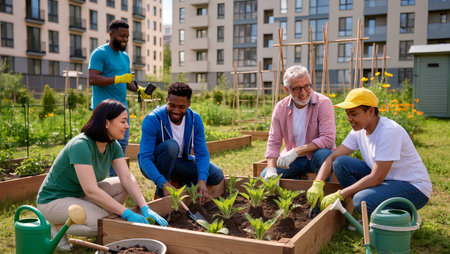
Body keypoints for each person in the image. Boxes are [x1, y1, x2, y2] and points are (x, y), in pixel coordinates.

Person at [37, 99, 167, 251]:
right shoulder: (81, 145)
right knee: (100, 226)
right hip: (53, 201)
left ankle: (99, 216)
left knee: (122, 186)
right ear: (106, 123)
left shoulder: (113, 145)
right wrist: (126, 213)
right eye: (123, 121)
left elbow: (127, 178)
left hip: (77, 197)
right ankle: (56, 227)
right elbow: (91, 190)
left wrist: (145, 207)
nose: (127, 126)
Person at [306, 88, 431, 217]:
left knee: (362, 200)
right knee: (341, 163)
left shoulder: (388, 132)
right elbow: (332, 158)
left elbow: (377, 178)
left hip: (413, 188)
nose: (349, 118)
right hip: (387, 181)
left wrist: (340, 194)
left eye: (354, 114)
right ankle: (368, 210)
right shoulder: (358, 131)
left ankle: (399, 217)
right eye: (347, 114)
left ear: (370, 111)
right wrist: (318, 183)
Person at [138, 82, 224, 204]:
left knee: (216, 174)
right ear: (167, 100)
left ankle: (177, 183)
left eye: (181, 107)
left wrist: (202, 180)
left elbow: (202, 153)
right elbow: (145, 158)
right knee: (171, 146)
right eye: (171, 105)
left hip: (179, 163)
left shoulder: (195, 119)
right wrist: (163, 183)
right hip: (156, 163)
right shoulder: (153, 119)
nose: (176, 111)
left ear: (188, 104)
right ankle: (161, 191)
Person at [88, 19, 151, 177]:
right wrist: (117, 78)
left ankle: (115, 183)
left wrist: (139, 90)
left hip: (121, 110)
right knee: (103, 148)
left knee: (120, 149)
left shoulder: (125, 57)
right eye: (122, 36)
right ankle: (101, 182)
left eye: (127, 36)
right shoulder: (100, 53)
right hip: (104, 111)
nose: (125, 39)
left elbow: (127, 82)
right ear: (111, 34)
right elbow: (92, 79)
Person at [261, 65, 336, 183]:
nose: (303, 93)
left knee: (325, 154)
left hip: (315, 157)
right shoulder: (281, 108)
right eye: (296, 89)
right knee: (265, 177)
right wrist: (271, 169)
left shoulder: (323, 103)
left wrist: (296, 152)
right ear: (287, 89)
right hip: (294, 160)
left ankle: (322, 192)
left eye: (307, 86)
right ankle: (297, 182)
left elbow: (328, 139)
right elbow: (274, 141)